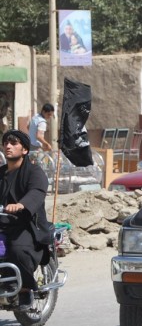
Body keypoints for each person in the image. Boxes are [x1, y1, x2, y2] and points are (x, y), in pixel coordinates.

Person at [0, 130, 52, 311]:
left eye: (13, 143)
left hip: (27, 224)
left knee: (18, 249)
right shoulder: (1, 173)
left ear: (24, 150)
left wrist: (21, 205)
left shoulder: (34, 172)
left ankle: (25, 289)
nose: (8, 146)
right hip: (3, 223)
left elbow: (37, 192)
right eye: (6, 142)